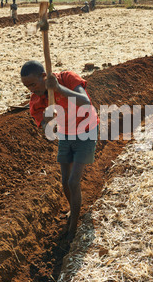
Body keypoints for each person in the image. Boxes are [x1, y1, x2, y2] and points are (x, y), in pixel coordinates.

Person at [20, 61, 99, 242]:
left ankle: (73, 228)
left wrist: (59, 89)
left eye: (33, 84)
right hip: (66, 133)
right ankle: (74, 207)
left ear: (44, 76)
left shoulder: (68, 78)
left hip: (87, 130)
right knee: (65, 180)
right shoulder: (37, 99)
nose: (31, 89)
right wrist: (49, 109)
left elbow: (85, 101)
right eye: (27, 86)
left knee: (73, 181)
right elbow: (45, 126)